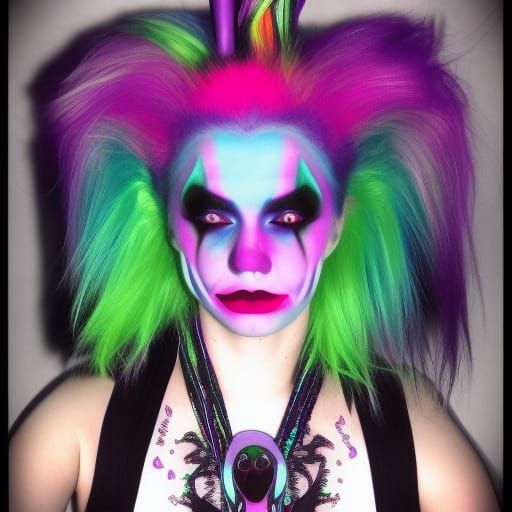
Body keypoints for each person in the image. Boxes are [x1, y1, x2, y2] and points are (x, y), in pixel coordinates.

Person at [9, 1, 501, 511]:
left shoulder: (419, 437)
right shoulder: (73, 429)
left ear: (336, 226)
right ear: (169, 224)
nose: (249, 260)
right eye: (215, 217)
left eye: (285, 219)